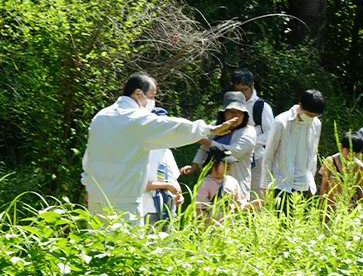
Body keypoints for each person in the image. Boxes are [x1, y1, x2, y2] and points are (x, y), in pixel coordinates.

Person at [81, 72, 236, 225]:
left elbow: (90, 158)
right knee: (125, 247)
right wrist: (208, 129)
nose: (153, 101)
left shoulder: (100, 117)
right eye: (152, 96)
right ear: (137, 94)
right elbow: (171, 127)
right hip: (124, 202)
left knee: (98, 246)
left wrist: (87, 186)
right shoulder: (136, 119)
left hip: (97, 197)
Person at [180, 91, 256, 200]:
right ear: (223, 113)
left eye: (238, 113)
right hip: (209, 188)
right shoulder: (214, 126)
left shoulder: (248, 132)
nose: (234, 116)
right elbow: (203, 150)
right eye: (230, 112)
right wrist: (194, 166)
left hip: (235, 189)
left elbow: (233, 152)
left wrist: (206, 142)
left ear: (244, 115)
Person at [260, 89, 326, 216]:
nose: (311, 118)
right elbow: (268, 155)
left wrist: (311, 183)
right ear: (300, 105)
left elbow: (313, 155)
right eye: (309, 114)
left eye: (315, 115)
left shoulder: (316, 124)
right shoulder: (281, 122)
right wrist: (265, 186)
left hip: (303, 186)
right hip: (281, 184)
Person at [231, 68, 274, 200]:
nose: (241, 94)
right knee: (235, 199)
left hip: (257, 161)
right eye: (237, 90)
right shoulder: (231, 104)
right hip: (235, 160)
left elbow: (270, 134)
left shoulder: (261, 107)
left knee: (257, 199)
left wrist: (248, 144)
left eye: (244, 90)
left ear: (252, 86)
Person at [195, 146, 262, 226]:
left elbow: (238, 206)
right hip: (210, 231)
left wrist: (251, 205)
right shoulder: (205, 184)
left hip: (229, 229)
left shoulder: (232, 181)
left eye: (230, 163)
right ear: (213, 164)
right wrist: (214, 224)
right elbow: (199, 210)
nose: (229, 166)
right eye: (225, 163)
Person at [141, 107, 184, 230]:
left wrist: (179, 194)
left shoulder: (167, 152)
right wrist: (165, 185)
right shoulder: (143, 151)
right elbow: (139, 184)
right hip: (148, 211)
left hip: (169, 210)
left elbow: (173, 178)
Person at [319, 131, 363, 212]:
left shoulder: (359, 167)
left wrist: (362, 210)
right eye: (348, 152)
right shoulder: (330, 161)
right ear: (341, 147)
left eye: (354, 154)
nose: (350, 156)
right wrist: (322, 206)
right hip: (329, 208)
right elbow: (324, 185)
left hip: (348, 209)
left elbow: (360, 191)